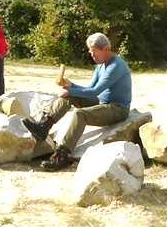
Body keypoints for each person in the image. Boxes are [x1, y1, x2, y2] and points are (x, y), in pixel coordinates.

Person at [23, 33, 132, 171]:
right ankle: (44, 126)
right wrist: (70, 85)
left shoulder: (116, 66)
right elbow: (89, 89)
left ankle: (62, 155)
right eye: (91, 52)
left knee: (80, 114)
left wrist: (70, 91)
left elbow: (95, 91)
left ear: (105, 49)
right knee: (69, 96)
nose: (92, 55)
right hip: (101, 102)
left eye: (94, 52)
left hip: (117, 109)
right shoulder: (100, 66)